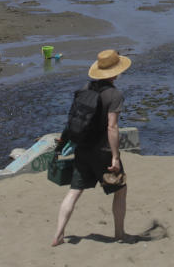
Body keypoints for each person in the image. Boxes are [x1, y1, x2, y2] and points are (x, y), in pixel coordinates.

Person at [52, 49, 131, 247]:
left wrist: (63, 142)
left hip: (82, 148)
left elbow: (73, 119)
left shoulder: (86, 88)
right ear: (115, 72)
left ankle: (59, 234)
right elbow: (112, 127)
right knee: (120, 190)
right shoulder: (115, 95)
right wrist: (115, 157)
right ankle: (119, 234)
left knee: (74, 191)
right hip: (103, 151)